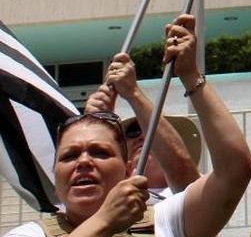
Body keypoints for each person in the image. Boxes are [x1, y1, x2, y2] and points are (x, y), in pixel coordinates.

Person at [0, 14, 251, 237]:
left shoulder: (168, 221)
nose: (84, 162)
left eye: (99, 152)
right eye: (69, 156)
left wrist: (190, 76)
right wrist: (106, 219)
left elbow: (234, 170)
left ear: (128, 169)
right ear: (55, 174)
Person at [84, 51, 201, 201]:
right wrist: (96, 125)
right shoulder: (103, 198)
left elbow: (182, 171)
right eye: (132, 132)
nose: (141, 136)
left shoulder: (191, 194)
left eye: (150, 130)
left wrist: (133, 93)